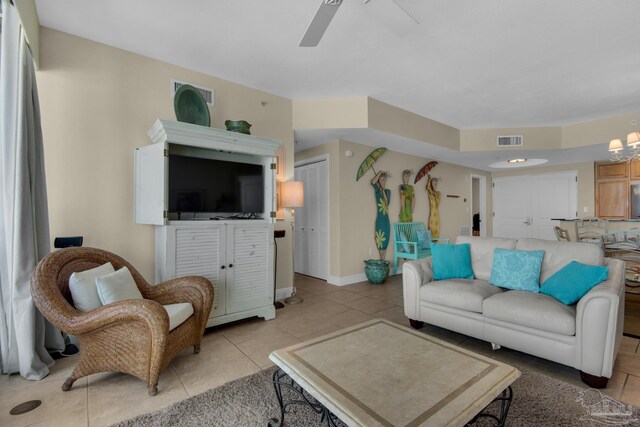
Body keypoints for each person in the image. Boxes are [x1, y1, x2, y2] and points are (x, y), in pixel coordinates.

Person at [371, 171, 391, 260]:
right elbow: (372, 182)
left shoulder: (387, 191)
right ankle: (381, 259)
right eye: (382, 179)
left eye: (385, 179)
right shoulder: (377, 190)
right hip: (380, 218)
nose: (384, 180)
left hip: (386, 219)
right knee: (379, 238)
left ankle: (383, 259)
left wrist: (383, 191)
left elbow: (386, 203)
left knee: (386, 238)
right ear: (379, 180)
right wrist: (380, 172)